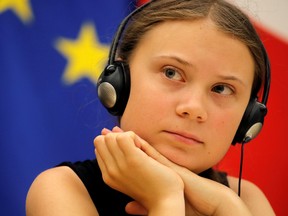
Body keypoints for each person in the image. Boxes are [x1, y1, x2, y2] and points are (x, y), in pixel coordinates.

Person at [26, 0, 275, 215]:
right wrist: (166, 200)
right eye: (171, 72)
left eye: (222, 89)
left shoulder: (247, 200)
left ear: (248, 119)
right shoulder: (63, 188)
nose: (193, 108)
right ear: (120, 81)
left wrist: (226, 207)